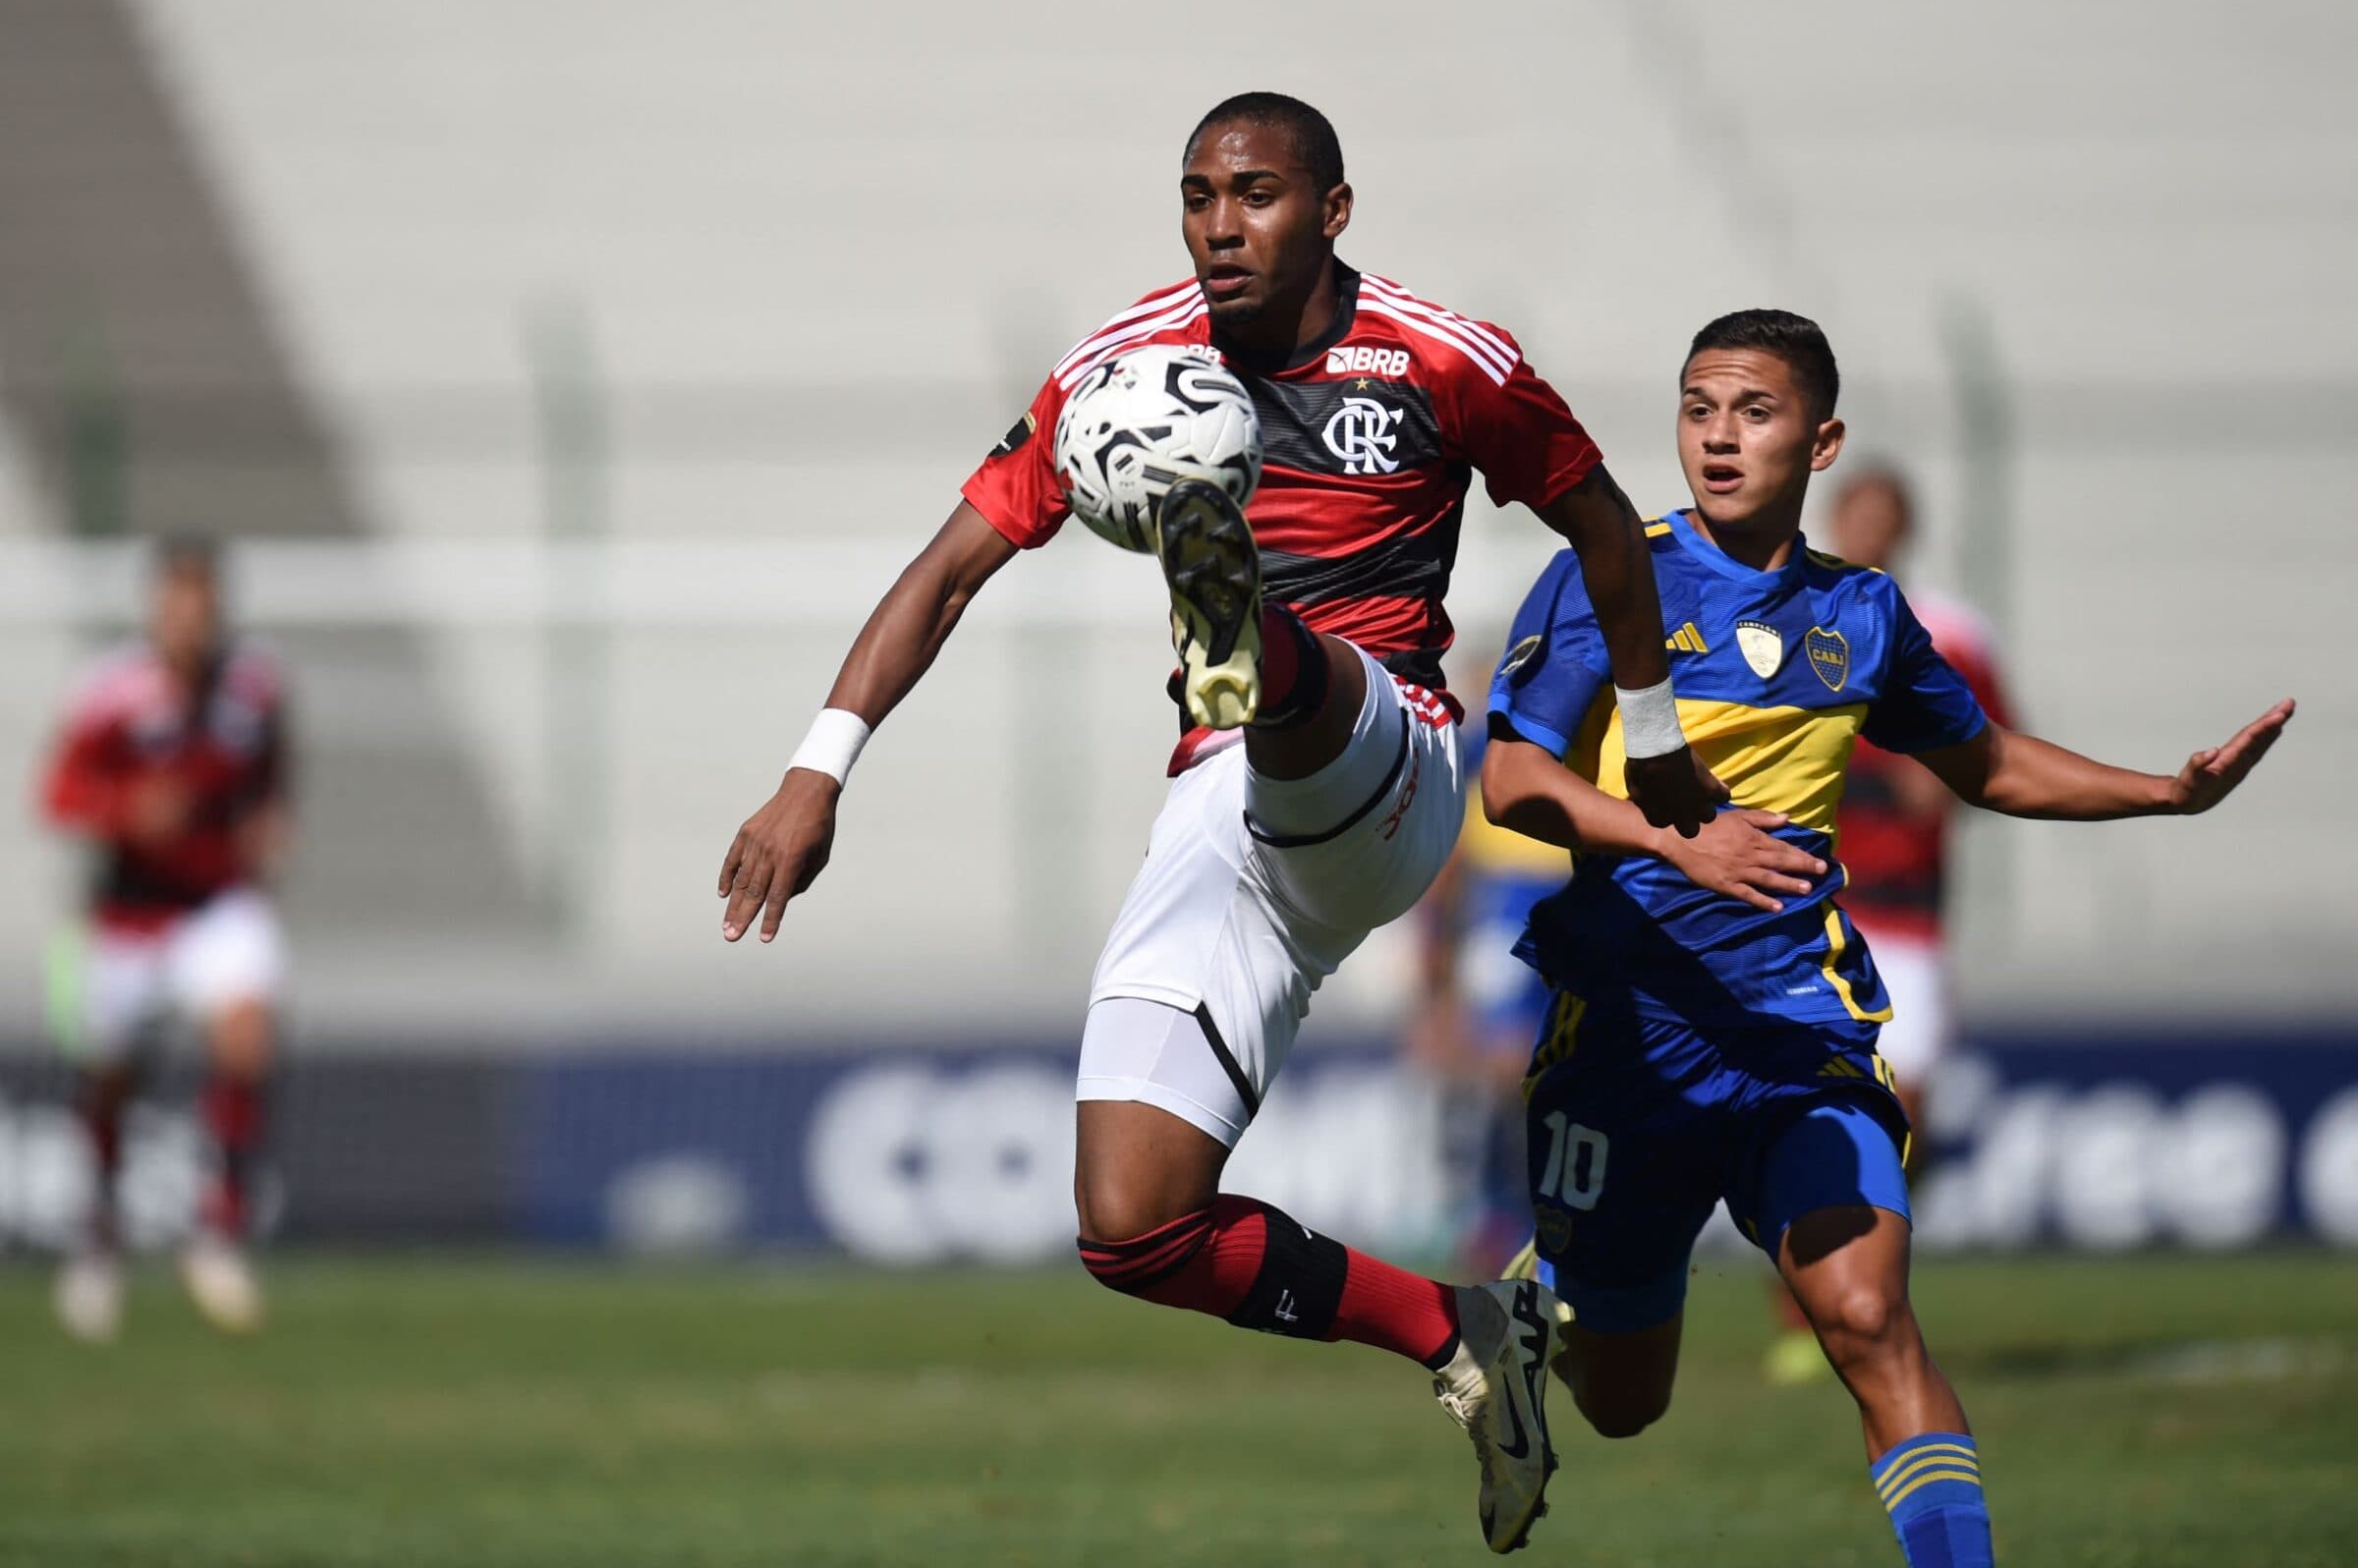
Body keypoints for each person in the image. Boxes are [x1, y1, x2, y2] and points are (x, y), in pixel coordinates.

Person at [715, 92, 1721, 1551]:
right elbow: (946, 571)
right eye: (1195, 196)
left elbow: (1608, 527)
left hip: (1392, 756)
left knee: (1282, 665)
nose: (1217, 226)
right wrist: (819, 768)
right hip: (1223, 814)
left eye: (1251, 194)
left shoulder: (1442, 358)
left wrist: (1661, 734)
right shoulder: (1120, 364)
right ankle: (1461, 1335)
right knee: (1131, 1225)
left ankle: (1229, 605)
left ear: (1332, 209)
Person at [1481, 308, 2290, 1567]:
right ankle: (1537, 1323)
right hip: (1632, 1034)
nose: (1720, 437)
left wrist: (2166, 792)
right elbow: (1514, 778)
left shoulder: (1860, 612)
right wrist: (1669, 838)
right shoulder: (1614, 572)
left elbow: (1988, 760)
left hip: (1798, 1023)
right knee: (1623, 1401)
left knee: (1867, 1319)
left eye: (1753, 411)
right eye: (1699, 409)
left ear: (1824, 437)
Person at [1761, 465, 2017, 1386]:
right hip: (1806, 900)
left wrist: (1945, 776)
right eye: (1856, 516)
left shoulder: (1947, 632)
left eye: (1884, 518)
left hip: (1906, 916)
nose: (1869, 531)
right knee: (1807, 1111)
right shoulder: (1779, 610)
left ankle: (1859, 1287)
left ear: (1904, 527)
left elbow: (1991, 758)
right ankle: (1805, 1309)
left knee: (1907, 1116)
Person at [39, 537, 293, 1341]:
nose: (189, 624)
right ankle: (98, 1241)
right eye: (175, 609)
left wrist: (269, 822)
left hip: (217, 906)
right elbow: (56, 794)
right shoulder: (109, 691)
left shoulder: (252, 689)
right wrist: (124, 811)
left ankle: (216, 1233)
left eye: (202, 609)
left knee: (247, 1036)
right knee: (112, 1077)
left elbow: (274, 773)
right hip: (127, 916)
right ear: (155, 610)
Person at [1403, 715, 1567, 1276]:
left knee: (1553, 1080)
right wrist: (1435, 992)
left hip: (1576, 910)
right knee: (1509, 1072)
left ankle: (1536, 1223)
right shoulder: (1480, 754)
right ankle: (1503, 1222)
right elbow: (1444, 873)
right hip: (1507, 917)